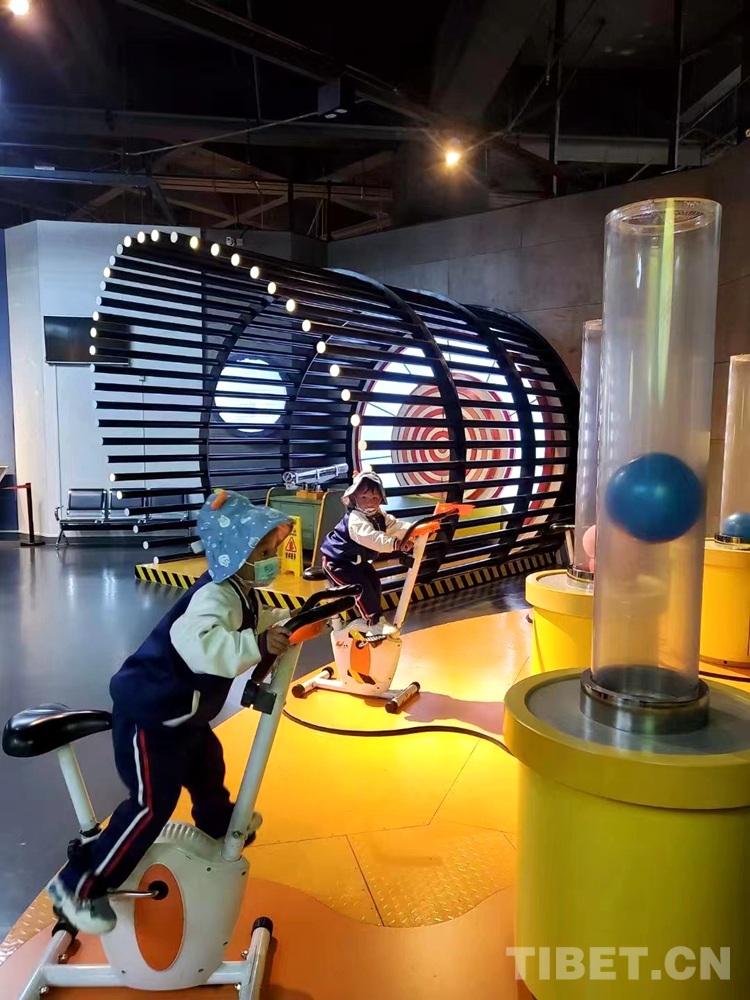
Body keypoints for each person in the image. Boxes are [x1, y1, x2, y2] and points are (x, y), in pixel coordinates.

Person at [47, 490, 293, 935]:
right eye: (262, 553)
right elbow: (199, 644)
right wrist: (257, 645)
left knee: (208, 762)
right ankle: (80, 886)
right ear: (234, 555)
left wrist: (284, 624)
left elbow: (252, 620)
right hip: (151, 715)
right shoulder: (215, 595)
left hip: (183, 714)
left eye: (271, 551)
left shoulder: (242, 591)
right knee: (151, 805)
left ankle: (217, 822)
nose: (270, 560)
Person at [319, 471, 413, 632]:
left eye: (375, 498)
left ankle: (376, 620)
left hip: (357, 562)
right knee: (361, 587)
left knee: (374, 583)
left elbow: (395, 526)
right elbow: (371, 538)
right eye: (364, 497)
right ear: (354, 497)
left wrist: (414, 529)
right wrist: (395, 544)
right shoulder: (355, 518)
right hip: (338, 562)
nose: (370, 502)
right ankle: (374, 621)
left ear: (381, 498)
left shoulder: (379, 515)